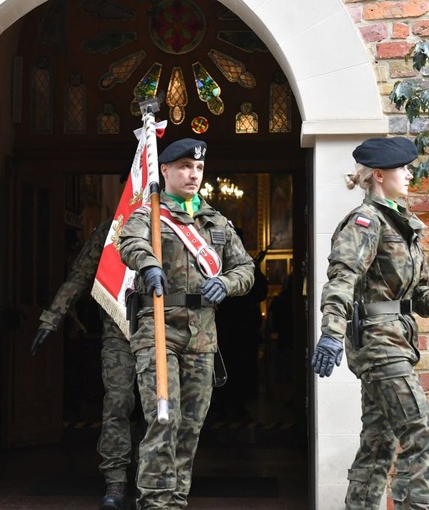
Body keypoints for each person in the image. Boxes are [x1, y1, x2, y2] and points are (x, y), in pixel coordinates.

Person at [311, 137, 429, 510]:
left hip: (396, 342)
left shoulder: (399, 221)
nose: (409, 174)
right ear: (378, 175)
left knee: (379, 444)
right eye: (402, 168)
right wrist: (330, 335)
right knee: (421, 436)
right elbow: (342, 280)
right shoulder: (365, 222)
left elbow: (416, 286)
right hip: (379, 345)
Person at [118, 138, 255, 509]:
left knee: (190, 428)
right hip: (159, 333)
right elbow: (128, 243)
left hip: (202, 338)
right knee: (163, 421)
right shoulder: (148, 214)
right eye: (184, 167)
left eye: (197, 168)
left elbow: (246, 270)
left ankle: (175, 501)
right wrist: (148, 265)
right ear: (165, 170)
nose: (193, 174)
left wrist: (225, 283)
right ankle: (155, 504)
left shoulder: (216, 221)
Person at [31, 217, 136, 510]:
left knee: (161, 408)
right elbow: (80, 276)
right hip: (119, 330)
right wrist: (52, 318)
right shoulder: (109, 231)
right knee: (117, 402)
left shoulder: (173, 222)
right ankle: (116, 480)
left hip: (165, 335)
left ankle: (157, 479)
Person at [211, 228, 268, 420]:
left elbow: (261, 292)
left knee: (242, 369)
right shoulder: (213, 265)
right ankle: (220, 406)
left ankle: (237, 405)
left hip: (243, 329)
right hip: (222, 328)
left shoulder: (246, 267)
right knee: (219, 368)